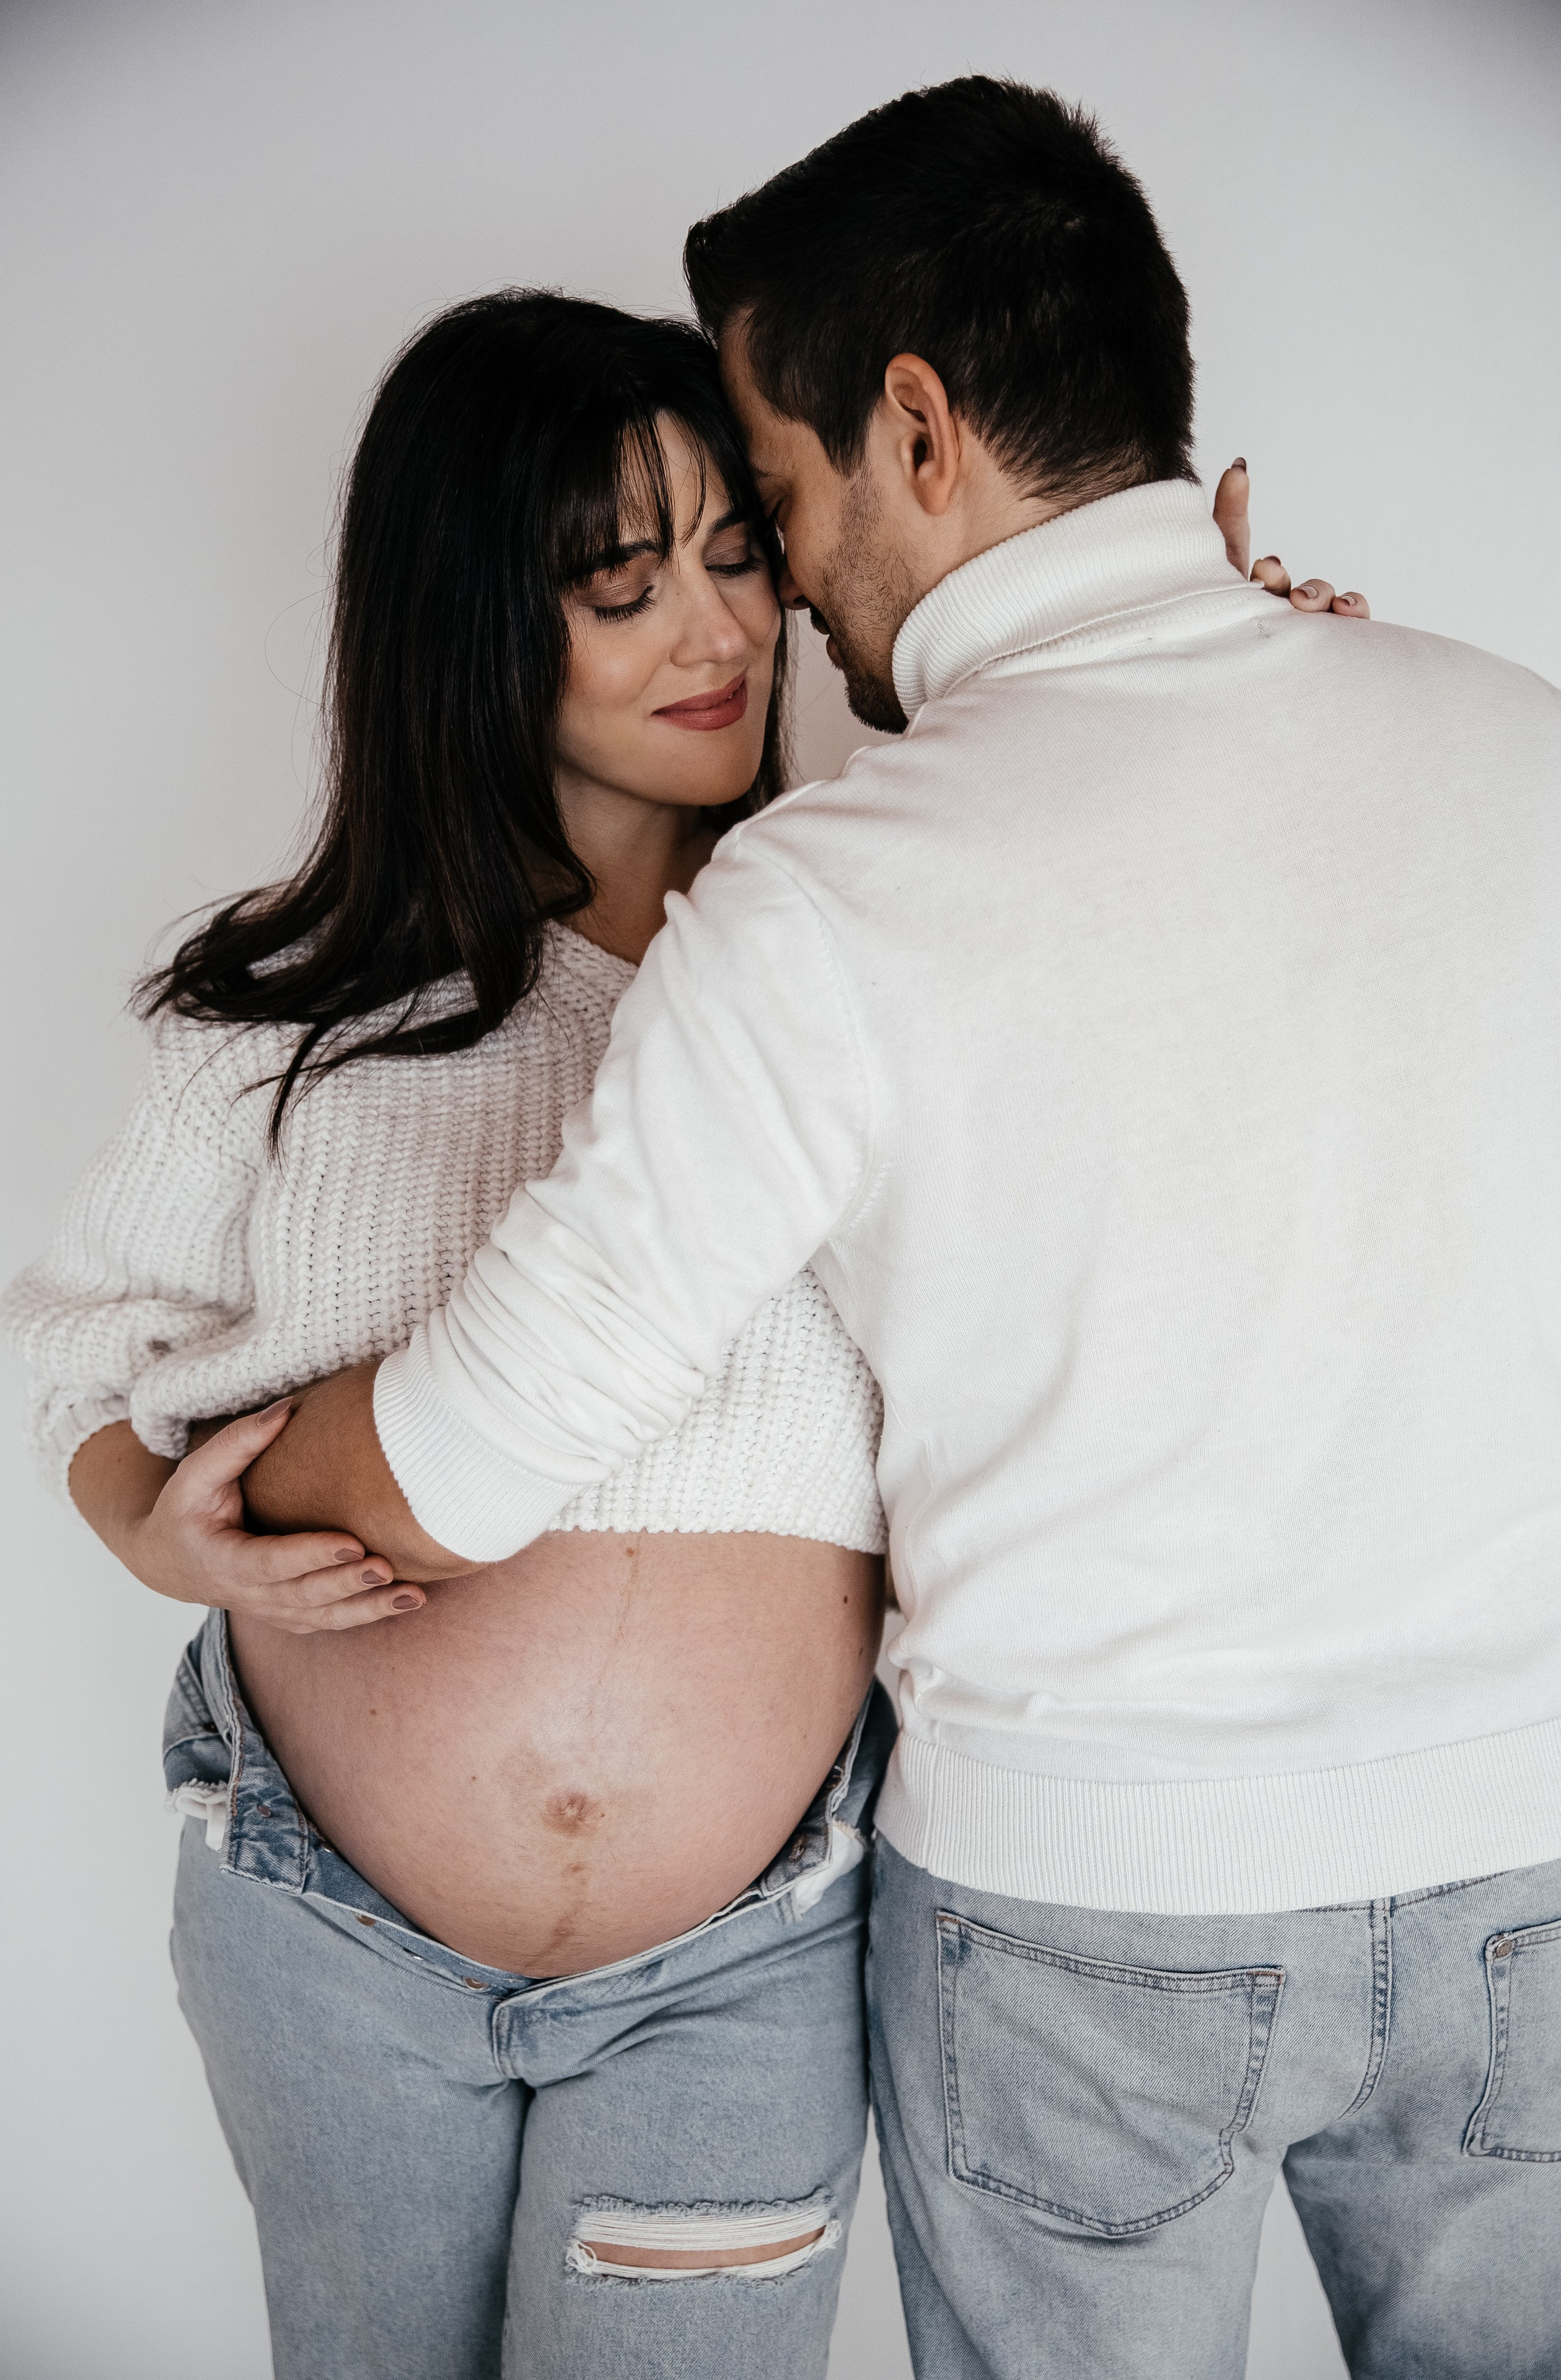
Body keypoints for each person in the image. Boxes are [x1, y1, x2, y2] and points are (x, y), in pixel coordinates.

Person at [235, 77, 1561, 2380]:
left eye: (772, 495)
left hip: (1086, 1916)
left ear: (919, 425)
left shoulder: (833, 901)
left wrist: (218, 1479)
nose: (778, 580)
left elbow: (474, 1451)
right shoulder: (1522, 742)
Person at [2, 292, 897, 2380]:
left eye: (735, 553)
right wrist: (160, 1533)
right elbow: (74, 1352)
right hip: (325, 1947)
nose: (717, 632)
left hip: (743, 1957)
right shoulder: (279, 1025)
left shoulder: (856, 979)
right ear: (474, 621)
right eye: (621, 581)